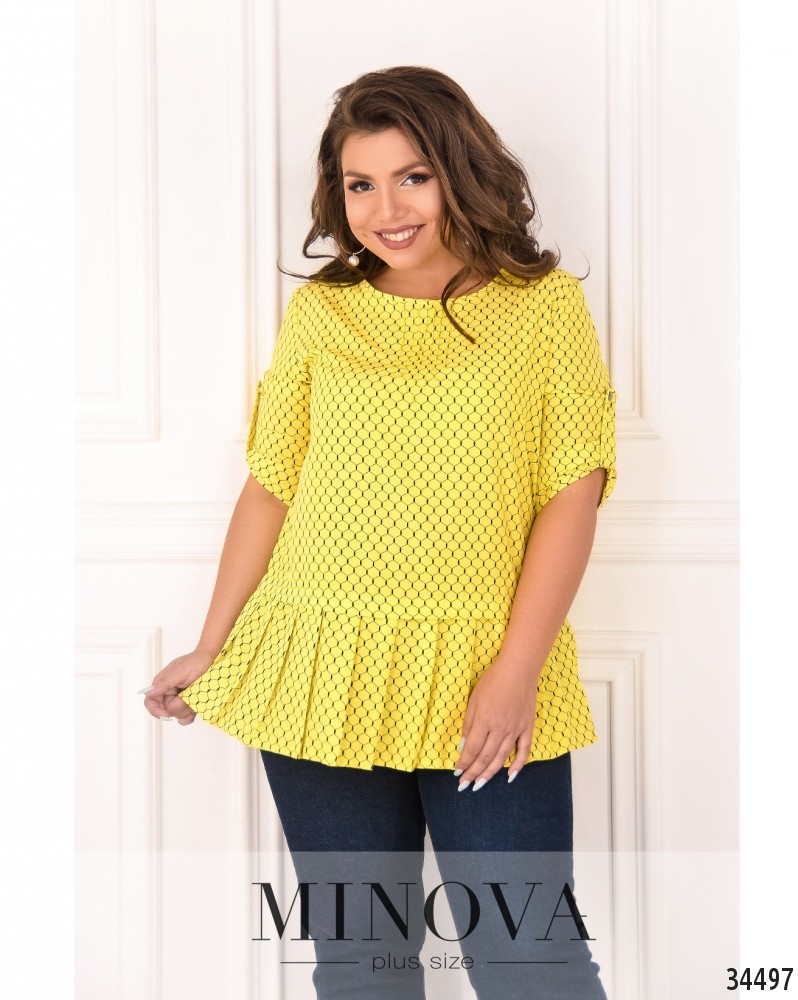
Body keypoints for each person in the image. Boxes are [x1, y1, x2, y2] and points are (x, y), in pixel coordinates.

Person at [143, 66, 616, 1000]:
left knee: (529, 960)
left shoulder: (543, 307)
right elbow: (272, 485)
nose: (385, 209)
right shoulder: (323, 312)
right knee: (364, 963)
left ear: (460, 171)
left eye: (413, 177)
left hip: (485, 665)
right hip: (318, 662)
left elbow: (574, 491)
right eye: (361, 184)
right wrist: (212, 642)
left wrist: (516, 669)